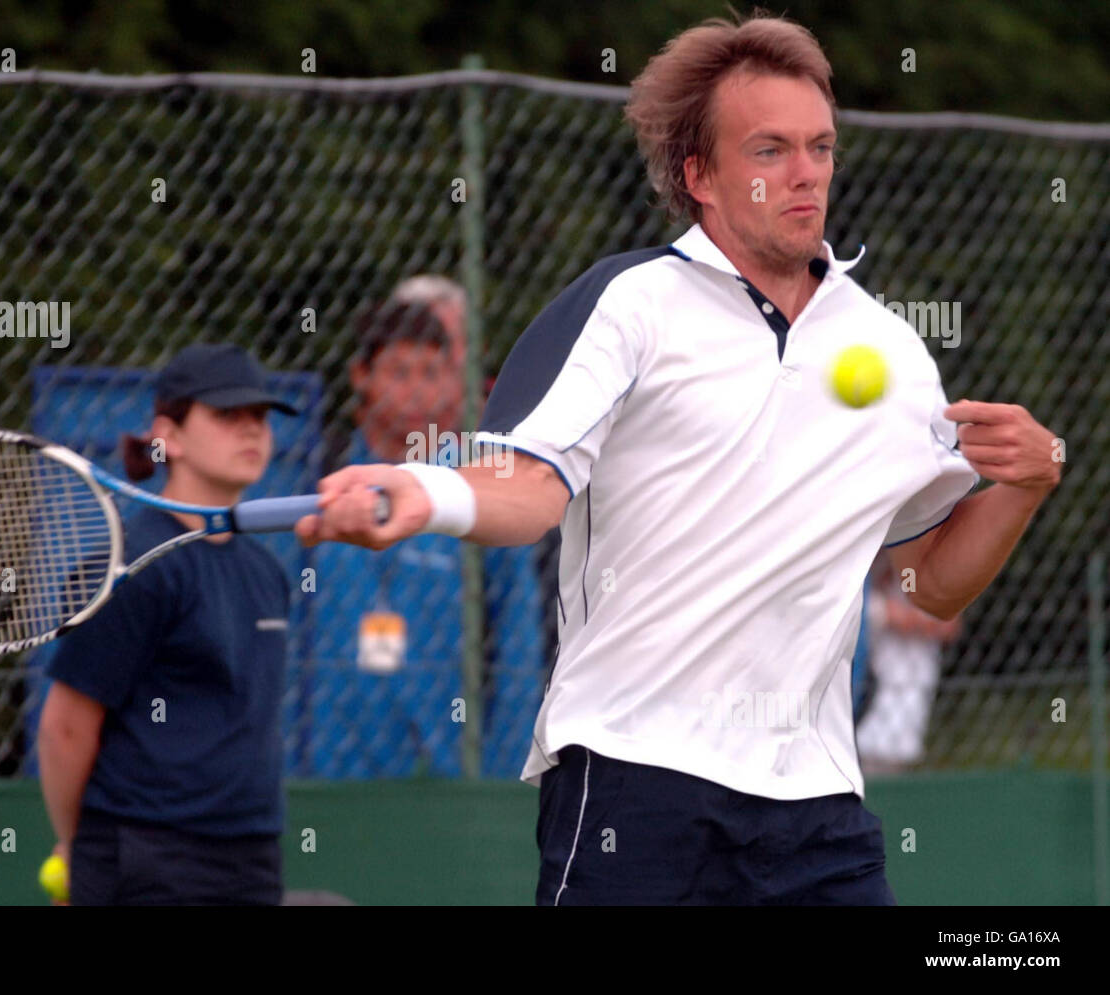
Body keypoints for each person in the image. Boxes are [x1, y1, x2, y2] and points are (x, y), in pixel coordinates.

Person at [295, 12, 1062, 905]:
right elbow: (533, 485)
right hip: (633, 779)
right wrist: (426, 490)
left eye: (819, 147)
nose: (805, 172)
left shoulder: (894, 354)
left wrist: (1028, 482)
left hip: (818, 802)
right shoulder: (629, 306)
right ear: (699, 174)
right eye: (769, 150)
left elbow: (930, 584)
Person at [36, 343, 298, 905]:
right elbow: (65, 726)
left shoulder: (268, 571)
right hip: (143, 857)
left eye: (260, 417)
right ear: (169, 437)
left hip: (254, 855)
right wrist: (75, 848)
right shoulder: (131, 564)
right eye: (228, 416)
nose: (251, 430)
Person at [295, 301, 543, 777]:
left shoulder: (482, 490)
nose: (416, 391)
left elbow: (518, 646)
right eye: (400, 371)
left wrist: (501, 774)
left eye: (432, 372)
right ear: (361, 375)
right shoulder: (315, 479)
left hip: (447, 769)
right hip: (323, 769)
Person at [857, 551, 963, 774]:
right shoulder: (866, 565)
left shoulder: (918, 571)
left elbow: (947, 624)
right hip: (864, 682)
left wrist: (899, 615)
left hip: (903, 687)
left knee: (886, 765)